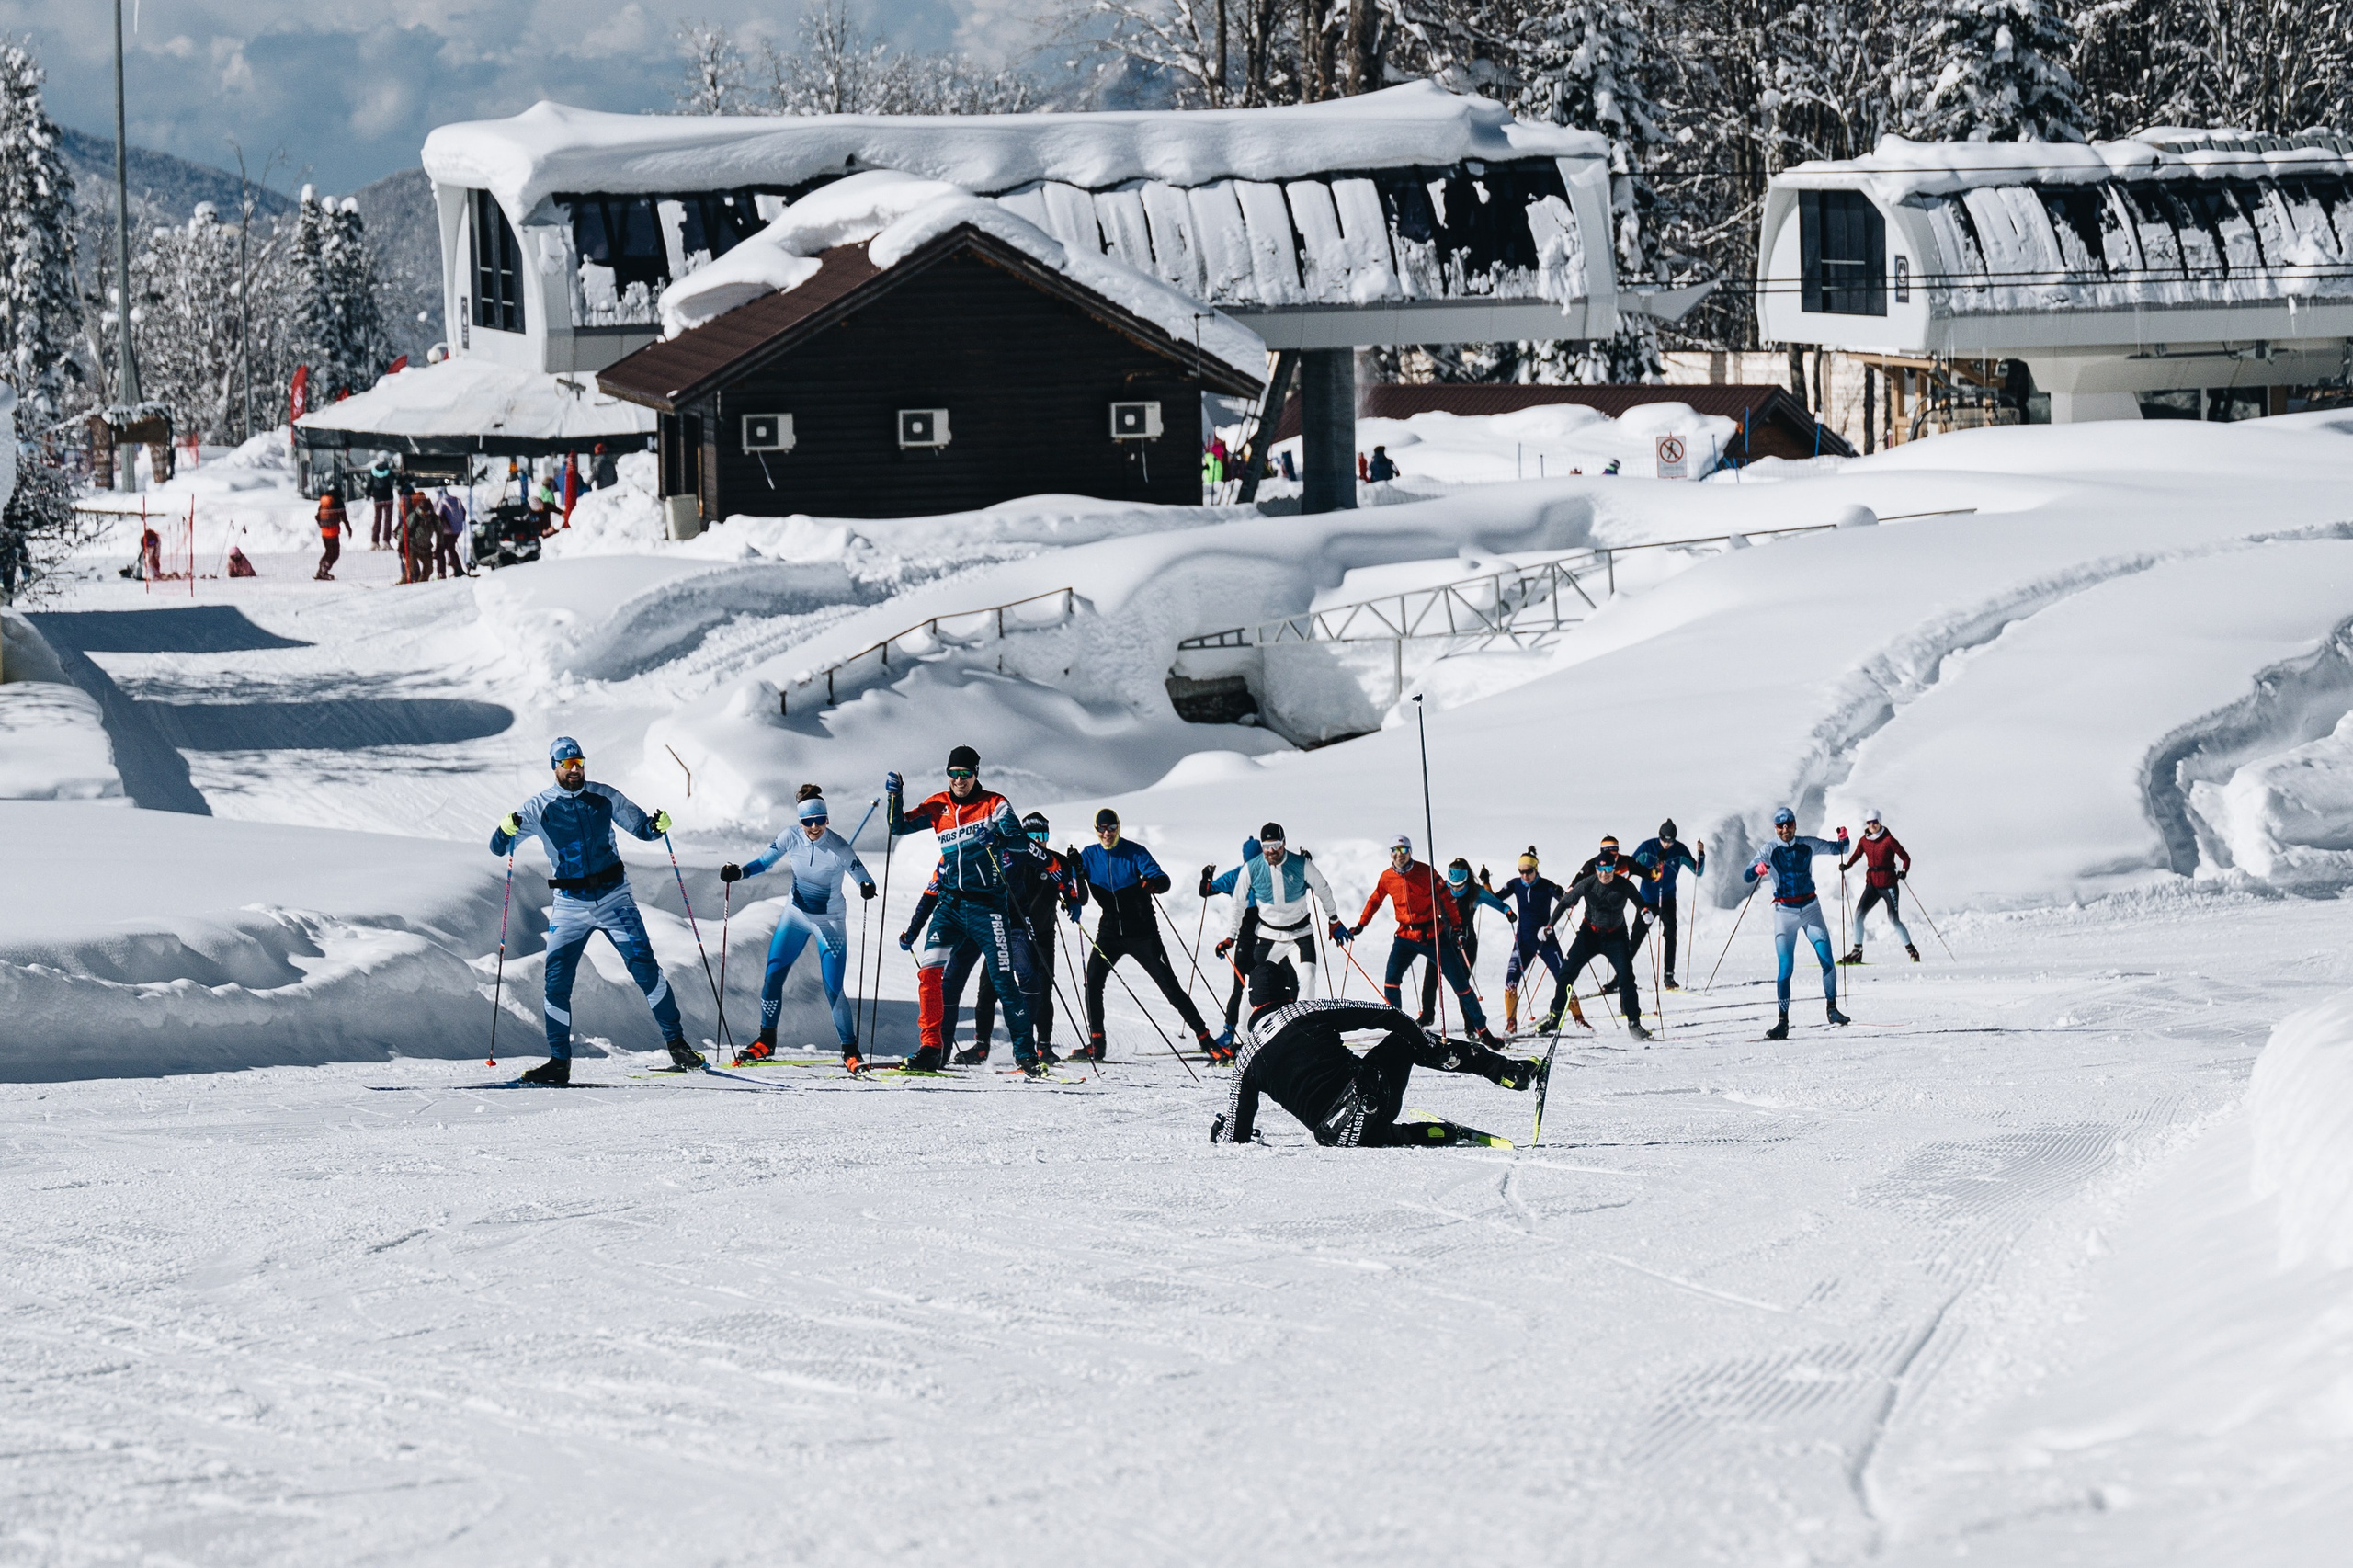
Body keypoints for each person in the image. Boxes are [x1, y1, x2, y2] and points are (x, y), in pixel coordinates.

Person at [490, 736, 700, 1085]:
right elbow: (500, 847)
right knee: (556, 982)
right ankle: (559, 1062)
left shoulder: (604, 796)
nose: (575, 770)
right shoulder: (537, 807)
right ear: (554, 767)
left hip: (615, 897)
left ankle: (678, 1046)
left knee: (645, 969)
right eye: (568, 765)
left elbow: (643, 828)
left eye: (580, 763)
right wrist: (505, 828)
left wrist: (657, 825)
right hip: (570, 906)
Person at [1211, 963, 1536, 1147]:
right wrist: (1430, 1049)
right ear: (1289, 992)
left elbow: (1235, 1137)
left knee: (1382, 1133)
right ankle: (1507, 1071)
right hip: (1373, 1098)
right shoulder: (1306, 1010)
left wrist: (1221, 1132)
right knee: (1404, 1041)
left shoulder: (1245, 1059)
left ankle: (1420, 1134)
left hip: (1336, 1136)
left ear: (1252, 1004)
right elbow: (1387, 1015)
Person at [887, 745, 1046, 1075]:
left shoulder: (994, 804)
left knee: (1003, 980)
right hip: (949, 905)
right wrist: (895, 797)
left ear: (976, 774)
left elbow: (1020, 840)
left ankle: (1025, 1054)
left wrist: (999, 839)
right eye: (954, 774)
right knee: (930, 975)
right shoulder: (937, 805)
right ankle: (931, 1048)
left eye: (966, 774)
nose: (959, 780)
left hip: (987, 906)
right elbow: (898, 827)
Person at [721, 786, 876, 1066]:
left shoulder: (839, 846)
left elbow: (862, 874)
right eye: (808, 821)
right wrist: (740, 872)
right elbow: (763, 863)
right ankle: (766, 1040)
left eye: (820, 820)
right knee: (772, 978)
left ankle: (850, 1049)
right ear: (800, 822)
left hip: (829, 922)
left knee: (833, 988)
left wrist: (866, 886)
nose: (814, 827)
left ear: (827, 819)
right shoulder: (789, 837)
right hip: (795, 916)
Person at [1077, 807, 1216, 1061]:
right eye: (1102, 828)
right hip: (1109, 931)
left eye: (1111, 828)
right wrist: (1074, 868)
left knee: (1169, 986)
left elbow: (1162, 878)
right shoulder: (1089, 855)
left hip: (1142, 931)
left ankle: (1206, 1038)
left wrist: (1154, 883)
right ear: (1095, 830)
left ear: (1118, 827)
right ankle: (1097, 1042)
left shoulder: (1135, 852)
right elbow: (1072, 884)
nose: (1107, 833)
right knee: (1093, 981)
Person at [1353, 835, 1500, 1047]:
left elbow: (1448, 900)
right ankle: (1398, 1028)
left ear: (1410, 852)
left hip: (1433, 935)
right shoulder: (1387, 877)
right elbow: (1375, 900)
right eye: (1394, 850)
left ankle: (1483, 1030)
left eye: (1403, 850)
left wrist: (1457, 926)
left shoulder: (1426, 872)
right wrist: (1361, 924)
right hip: (1405, 937)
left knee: (1461, 986)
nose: (1399, 854)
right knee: (1391, 981)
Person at [1217, 822, 1347, 1021]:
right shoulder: (1252, 869)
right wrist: (1230, 936)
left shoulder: (1301, 864)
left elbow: (1323, 889)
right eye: (1267, 846)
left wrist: (1334, 919)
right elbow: (1237, 904)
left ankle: (1304, 1031)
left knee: (1308, 978)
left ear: (1284, 843)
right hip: (1269, 936)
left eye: (1276, 845)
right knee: (1252, 984)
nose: (1272, 851)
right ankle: (1241, 1038)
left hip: (1300, 935)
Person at [1744, 807, 1852, 1040]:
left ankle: (1832, 1009)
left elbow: (1839, 849)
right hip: (1785, 913)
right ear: (1775, 827)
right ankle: (1782, 1022)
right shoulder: (1769, 849)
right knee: (1785, 968)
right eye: (1780, 825)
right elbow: (1746, 875)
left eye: (1789, 824)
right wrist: (1757, 869)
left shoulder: (1807, 844)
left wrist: (1845, 838)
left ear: (1795, 824)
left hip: (1811, 909)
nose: (1785, 829)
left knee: (1827, 961)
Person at [1546, 851, 1653, 1039]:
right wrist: (1549, 925)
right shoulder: (1588, 884)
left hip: (1616, 936)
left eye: (1609, 868)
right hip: (1589, 934)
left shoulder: (1623, 885)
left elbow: (1639, 901)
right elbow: (1564, 903)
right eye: (1601, 869)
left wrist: (1645, 912)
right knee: (1566, 973)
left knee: (1626, 979)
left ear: (1614, 868)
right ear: (1596, 869)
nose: (1605, 873)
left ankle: (1634, 1023)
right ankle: (1554, 1016)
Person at [1496, 846, 1580, 1033]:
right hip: (1523, 941)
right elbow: (1494, 898)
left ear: (1536, 870)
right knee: (1510, 982)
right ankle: (1511, 1024)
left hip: (1545, 941)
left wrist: (1567, 894)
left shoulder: (1547, 885)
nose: (1525, 876)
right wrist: (1485, 883)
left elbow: (1568, 903)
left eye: (1529, 871)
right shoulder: (1515, 884)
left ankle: (1579, 1019)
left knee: (1564, 980)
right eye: (1521, 872)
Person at [1416, 858, 1510, 1025]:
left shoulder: (1476, 893)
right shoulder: (1440, 889)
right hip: (1441, 941)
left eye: (1459, 885)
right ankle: (1427, 1016)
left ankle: (1471, 1025)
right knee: (1430, 981)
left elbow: (1499, 904)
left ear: (1466, 880)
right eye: (1452, 884)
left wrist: (1508, 912)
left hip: (1465, 945)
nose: (1455, 889)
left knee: (1462, 987)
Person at [1200, 836, 1267, 1051]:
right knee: (1247, 985)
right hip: (1250, 936)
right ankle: (1232, 1032)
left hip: (1260, 935)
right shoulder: (1240, 874)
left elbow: (1206, 890)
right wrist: (1206, 879)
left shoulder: (1268, 873)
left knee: (1252, 986)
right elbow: (1207, 891)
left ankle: (1242, 1032)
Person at [1631, 820, 1706, 989]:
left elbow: (1697, 871)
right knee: (1636, 937)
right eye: (1664, 840)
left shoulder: (1679, 850)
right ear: (1659, 837)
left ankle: (1668, 976)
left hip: (1667, 899)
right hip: (1646, 899)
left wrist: (1701, 854)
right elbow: (1631, 865)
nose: (1667, 844)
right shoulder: (1647, 848)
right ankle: (1622, 976)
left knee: (1670, 934)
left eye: (1670, 841)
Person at [1841, 809, 1919, 964]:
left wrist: (1904, 871)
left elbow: (1905, 857)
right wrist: (1847, 866)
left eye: (1875, 822)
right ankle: (1857, 952)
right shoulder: (1864, 840)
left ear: (1879, 822)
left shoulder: (1888, 840)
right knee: (1858, 916)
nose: (1872, 825)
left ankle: (1912, 951)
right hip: (1872, 884)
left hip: (1888, 884)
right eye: (1869, 823)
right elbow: (1857, 854)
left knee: (1893, 919)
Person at [402, 490, 439, 584]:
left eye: (427, 512)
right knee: (411, 568)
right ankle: (402, 583)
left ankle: (421, 583)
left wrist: (440, 545)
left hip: (426, 548)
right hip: (413, 547)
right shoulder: (414, 517)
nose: (425, 514)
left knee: (429, 569)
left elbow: (440, 531)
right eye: (423, 512)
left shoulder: (433, 518)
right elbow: (403, 530)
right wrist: (401, 544)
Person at [433, 487, 469, 579]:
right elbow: (464, 512)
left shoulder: (442, 501)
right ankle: (458, 569)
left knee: (440, 551)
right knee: (451, 549)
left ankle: (441, 573)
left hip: (446, 531)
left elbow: (439, 516)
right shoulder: (456, 499)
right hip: (457, 529)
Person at [313, 488, 346, 581]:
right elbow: (343, 516)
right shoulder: (338, 502)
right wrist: (348, 527)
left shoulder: (324, 504)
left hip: (324, 532)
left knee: (328, 551)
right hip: (333, 532)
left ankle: (321, 570)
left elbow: (317, 517)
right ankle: (324, 570)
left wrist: (322, 525)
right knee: (335, 553)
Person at [365, 459, 396, 550]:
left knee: (377, 519)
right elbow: (393, 483)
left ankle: (374, 541)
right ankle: (386, 541)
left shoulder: (373, 471)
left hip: (377, 498)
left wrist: (367, 493)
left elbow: (370, 484)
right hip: (388, 498)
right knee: (387, 520)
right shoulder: (389, 472)